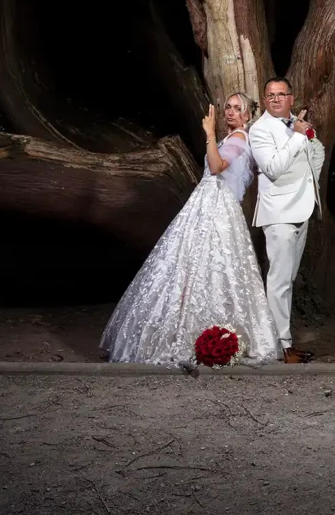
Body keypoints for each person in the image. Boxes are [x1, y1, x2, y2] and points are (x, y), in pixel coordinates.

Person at [100, 94, 281, 366]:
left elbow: (218, 166)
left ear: (246, 116)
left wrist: (209, 134)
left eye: (237, 109)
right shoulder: (230, 140)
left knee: (214, 266)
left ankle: (213, 334)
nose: (230, 112)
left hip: (218, 209)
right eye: (228, 108)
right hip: (204, 204)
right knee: (187, 265)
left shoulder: (239, 140)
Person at [248, 77, 325, 364]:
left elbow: (314, 156)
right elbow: (273, 168)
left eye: (282, 94)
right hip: (279, 213)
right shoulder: (260, 130)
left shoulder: (298, 123)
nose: (276, 99)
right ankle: (281, 346)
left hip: (302, 209)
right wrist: (297, 136)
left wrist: (311, 188)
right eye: (271, 95)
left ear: (291, 98)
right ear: (265, 100)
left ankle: (280, 339)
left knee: (288, 280)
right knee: (279, 281)